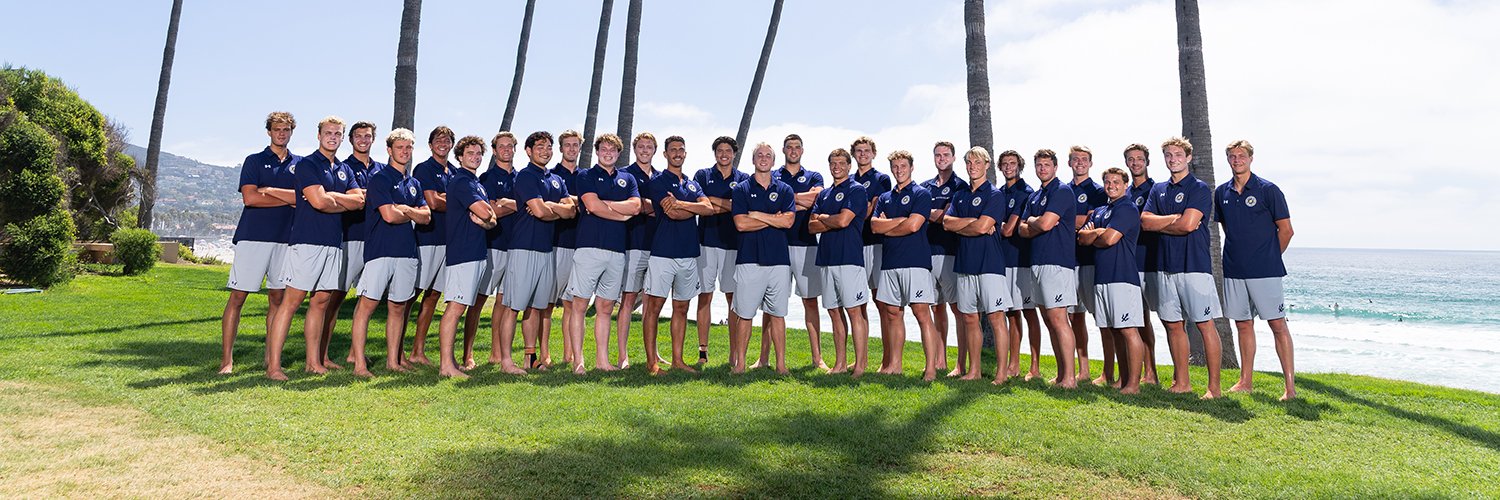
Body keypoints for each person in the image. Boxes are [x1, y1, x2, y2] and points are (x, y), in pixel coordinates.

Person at [265, 116, 363, 380]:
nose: (333, 137)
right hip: (307, 241)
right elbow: (318, 202)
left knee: (320, 301)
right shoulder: (308, 164)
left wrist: (333, 198)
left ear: (342, 138)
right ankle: (273, 367)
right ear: (318, 135)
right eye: (328, 133)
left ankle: (313, 362)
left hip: (333, 242)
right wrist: (334, 199)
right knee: (292, 302)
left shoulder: (344, 168)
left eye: (337, 133)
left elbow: (359, 201)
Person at [1140, 136, 1224, 399]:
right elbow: (1144, 221)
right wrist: (1174, 218)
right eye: (1168, 155)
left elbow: (1189, 225)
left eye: (1177, 154)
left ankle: (1214, 388)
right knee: (1173, 325)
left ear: (1188, 158)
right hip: (1164, 267)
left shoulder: (1198, 188)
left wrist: (1163, 222)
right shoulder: (1158, 189)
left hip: (1194, 267)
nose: (1173, 158)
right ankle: (1183, 383)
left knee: (1204, 324)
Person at [1214, 140, 1296, 400]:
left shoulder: (1268, 190)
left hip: (1265, 271)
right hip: (1234, 269)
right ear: (1228, 159)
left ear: (1251, 159)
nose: (1237, 160)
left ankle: (1290, 388)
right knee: (1243, 325)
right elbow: (1229, 230)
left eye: (1241, 156)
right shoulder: (1221, 193)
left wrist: (1267, 258)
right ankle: (1245, 381)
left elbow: (1286, 230)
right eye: (1232, 156)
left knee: (1277, 325)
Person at [220, 111, 299, 375]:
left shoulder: (300, 164)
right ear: (269, 131)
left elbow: (302, 199)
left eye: (286, 130)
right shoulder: (253, 161)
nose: (281, 133)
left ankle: (270, 358)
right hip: (253, 238)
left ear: (291, 132)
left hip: (286, 239)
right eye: (277, 129)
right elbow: (250, 199)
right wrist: (287, 197)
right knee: (238, 297)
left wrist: (271, 192)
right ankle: (227, 361)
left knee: (277, 299)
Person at [348, 128, 429, 377]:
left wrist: (405, 209)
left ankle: (393, 361)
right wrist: (409, 211)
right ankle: (359, 365)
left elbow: (426, 217)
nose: (404, 152)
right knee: (367, 306)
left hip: (407, 252)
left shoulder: (414, 183)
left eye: (408, 148)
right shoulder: (380, 179)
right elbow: (389, 215)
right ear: (389, 150)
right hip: (381, 251)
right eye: (400, 147)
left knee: (398, 307)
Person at [565, 133, 640, 373]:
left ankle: (602, 361)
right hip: (589, 248)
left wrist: (604, 206)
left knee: (606, 307)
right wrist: (621, 212)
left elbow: (636, 206)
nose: (608, 153)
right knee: (579, 304)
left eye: (613, 150)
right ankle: (578, 361)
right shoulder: (586, 176)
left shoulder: (627, 178)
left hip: (617, 251)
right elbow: (592, 205)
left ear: (619, 154)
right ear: (597, 152)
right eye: (604, 149)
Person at [501, 131, 574, 374]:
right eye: (540, 146)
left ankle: (530, 358)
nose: (545, 150)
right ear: (529, 151)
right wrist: (553, 209)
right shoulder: (525, 176)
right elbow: (539, 212)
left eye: (548, 146)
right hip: (523, 247)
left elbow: (571, 211)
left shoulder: (555, 179)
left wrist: (549, 206)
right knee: (514, 306)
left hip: (546, 249)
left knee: (535, 306)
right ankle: (505, 362)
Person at [642, 136, 715, 374]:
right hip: (663, 253)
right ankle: (652, 363)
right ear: (665, 154)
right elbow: (671, 213)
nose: (677, 153)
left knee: (681, 308)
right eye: (672, 150)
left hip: (688, 254)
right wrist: (692, 207)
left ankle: (678, 360)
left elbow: (709, 208)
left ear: (685, 153)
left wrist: (683, 204)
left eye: (681, 150)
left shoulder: (693, 184)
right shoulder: (658, 181)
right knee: (653, 307)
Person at [753, 134, 826, 370]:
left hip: (806, 245)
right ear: (783, 150)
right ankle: (763, 359)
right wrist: (799, 201)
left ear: (802, 150)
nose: (793, 150)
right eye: (789, 147)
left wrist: (787, 199)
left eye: (797, 147)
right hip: (778, 246)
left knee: (810, 302)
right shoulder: (773, 175)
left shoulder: (814, 176)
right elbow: (768, 205)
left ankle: (818, 359)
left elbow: (818, 198)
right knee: (771, 305)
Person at [942, 147, 1011, 384]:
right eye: (969, 162)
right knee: (969, 318)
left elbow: (983, 228)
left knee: (995, 318)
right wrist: (974, 222)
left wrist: (971, 225)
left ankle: (1001, 374)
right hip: (964, 263)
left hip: (990, 265)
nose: (972, 166)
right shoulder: (960, 194)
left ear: (987, 164)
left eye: (977, 162)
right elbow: (946, 223)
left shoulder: (994, 195)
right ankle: (974, 371)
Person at [432, 136, 497, 378]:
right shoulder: (461, 182)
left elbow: (491, 217)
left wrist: (488, 218)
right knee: (455, 308)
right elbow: (485, 211)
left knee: (461, 306)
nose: (475, 156)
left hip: (476, 252)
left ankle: (450, 363)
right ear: (459, 156)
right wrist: (488, 216)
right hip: (463, 254)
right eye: (470, 153)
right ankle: (446, 366)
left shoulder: (476, 183)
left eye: (479, 153)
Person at [728, 143, 796, 374]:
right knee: (745, 315)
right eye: (760, 155)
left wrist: (756, 215)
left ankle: (781, 365)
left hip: (778, 261)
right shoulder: (741, 190)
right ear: (753, 159)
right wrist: (772, 218)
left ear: (774, 161)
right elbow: (740, 224)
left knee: (777, 314)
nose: (764, 158)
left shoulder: (785, 190)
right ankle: (740, 365)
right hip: (749, 260)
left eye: (768, 155)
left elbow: (788, 222)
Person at [870, 151, 938, 379]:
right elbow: (874, 227)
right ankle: (895, 366)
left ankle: (930, 369)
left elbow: (913, 226)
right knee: (892, 313)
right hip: (890, 262)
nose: (899, 170)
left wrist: (889, 225)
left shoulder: (922, 194)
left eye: (903, 166)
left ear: (911, 167)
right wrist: (900, 221)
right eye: (895, 166)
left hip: (915, 262)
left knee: (921, 313)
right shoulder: (884, 198)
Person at [1076, 167, 1145, 393]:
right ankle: (1122, 379)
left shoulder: (1127, 208)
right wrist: (1098, 232)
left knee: (1128, 330)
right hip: (1102, 277)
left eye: (1116, 181)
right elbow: (1082, 238)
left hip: (1122, 278)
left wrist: (1097, 233)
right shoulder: (1100, 210)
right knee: (1114, 330)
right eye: (1107, 181)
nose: (1111, 185)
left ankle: (1133, 384)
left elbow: (1110, 239)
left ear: (1126, 185)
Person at [1018, 149, 1079, 389]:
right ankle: (1062, 374)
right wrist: (1036, 223)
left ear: (1055, 167)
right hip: (1037, 262)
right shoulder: (1035, 196)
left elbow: (1041, 224)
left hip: (1057, 263)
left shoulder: (1062, 191)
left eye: (1047, 165)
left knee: (1058, 318)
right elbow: (1021, 230)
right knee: (1048, 319)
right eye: (1039, 165)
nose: (1042, 168)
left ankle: (1071, 379)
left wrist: (1034, 221)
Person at [809, 148, 871, 376]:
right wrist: (829, 220)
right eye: (833, 163)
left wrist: (824, 218)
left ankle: (861, 365)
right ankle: (840, 364)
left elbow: (845, 221)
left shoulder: (856, 190)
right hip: (826, 259)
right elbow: (810, 225)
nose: (837, 167)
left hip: (849, 259)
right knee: (834, 312)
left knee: (854, 311)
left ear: (849, 165)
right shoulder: (824, 194)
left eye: (841, 163)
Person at [693, 136, 750, 365]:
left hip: (733, 245)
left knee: (732, 299)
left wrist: (713, 203)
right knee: (704, 296)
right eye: (720, 150)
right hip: (706, 242)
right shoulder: (702, 175)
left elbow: (741, 209)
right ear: (714, 152)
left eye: (728, 150)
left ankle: (734, 354)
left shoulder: (744, 179)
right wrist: (726, 205)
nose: (724, 154)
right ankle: (703, 352)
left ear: (734, 153)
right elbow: (701, 206)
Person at [408, 126, 456, 366]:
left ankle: (418, 351)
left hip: (449, 241)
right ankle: (396, 351)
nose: (443, 143)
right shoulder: (424, 169)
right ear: (430, 145)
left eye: (447, 140)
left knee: (434, 296)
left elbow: (446, 199)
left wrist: (449, 199)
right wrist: (457, 201)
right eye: (438, 139)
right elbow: (433, 202)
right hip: (427, 239)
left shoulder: (455, 172)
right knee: (412, 294)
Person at [921, 141, 968, 378]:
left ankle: (960, 364)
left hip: (950, 252)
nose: (942, 158)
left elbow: (948, 218)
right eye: (938, 155)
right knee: (935, 307)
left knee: (957, 309)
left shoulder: (961, 186)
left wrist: (924, 214)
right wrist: (934, 215)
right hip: (927, 252)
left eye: (946, 155)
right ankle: (940, 360)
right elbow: (932, 217)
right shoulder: (924, 187)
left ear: (953, 157)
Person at [335, 121, 380, 368]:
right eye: (359, 136)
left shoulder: (381, 169)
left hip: (374, 241)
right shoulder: (342, 168)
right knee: (335, 297)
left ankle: (355, 353)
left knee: (367, 297)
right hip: (349, 237)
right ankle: (321, 354)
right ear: (351, 140)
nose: (363, 140)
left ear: (374, 139)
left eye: (368, 136)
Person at [475, 132, 520, 369]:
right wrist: (519, 206)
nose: (506, 150)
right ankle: (467, 355)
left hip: (515, 247)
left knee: (504, 301)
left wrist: (508, 203)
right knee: (479, 299)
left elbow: (525, 206)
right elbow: (490, 211)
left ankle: (496, 353)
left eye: (510, 146)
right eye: (501, 146)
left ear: (515, 149)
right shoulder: (488, 177)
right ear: (494, 150)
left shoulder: (521, 177)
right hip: (494, 244)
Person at [617, 132, 661, 369]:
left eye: (649, 147)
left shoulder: (661, 176)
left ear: (655, 150)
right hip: (633, 243)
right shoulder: (625, 174)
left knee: (651, 302)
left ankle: (652, 355)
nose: (645, 150)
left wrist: (647, 206)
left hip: (658, 246)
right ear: (635, 149)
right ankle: (623, 356)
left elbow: (665, 206)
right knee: (628, 299)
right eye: (641, 146)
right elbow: (635, 208)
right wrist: (650, 207)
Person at [997, 150, 1041, 380]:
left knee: (1028, 312)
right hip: (1001, 260)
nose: (1008, 167)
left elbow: (1008, 229)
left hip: (1021, 259)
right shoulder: (999, 192)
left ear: (1020, 166)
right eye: (1004, 164)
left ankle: (1034, 367)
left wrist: (987, 224)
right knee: (1011, 313)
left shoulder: (1027, 192)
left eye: (1012, 163)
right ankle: (1013, 364)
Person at [1068, 146, 1109, 384]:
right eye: (1075, 159)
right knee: (1075, 317)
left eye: (1084, 159)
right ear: (1069, 163)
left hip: (1091, 260)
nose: (1080, 163)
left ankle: (1108, 371)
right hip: (1068, 260)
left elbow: (1093, 221)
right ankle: (1082, 370)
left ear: (1090, 163)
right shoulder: (1063, 189)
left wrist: (1061, 220)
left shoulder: (1097, 191)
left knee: (1101, 317)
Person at [1125, 143, 1162, 384]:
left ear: (1147, 162)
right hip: (1129, 263)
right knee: (1137, 318)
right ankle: (1141, 371)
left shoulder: (1156, 190)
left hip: (1151, 259)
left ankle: (1153, 372)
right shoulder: (1123, 192)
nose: (1135, 163)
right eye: (1131, 159)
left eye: (1139, 159)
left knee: (1164, 319)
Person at [550, 130, 587, 366]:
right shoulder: (551, 174)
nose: (572, 149)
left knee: (573, 303)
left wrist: (569, 200)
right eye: (568, 145)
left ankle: (569, 355)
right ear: (561, 148)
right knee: (546, 302)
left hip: (581, 245)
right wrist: (580, 200)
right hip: (556, 243)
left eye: (576, 145)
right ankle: (542, 354)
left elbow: (590, 202)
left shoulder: (586, 176)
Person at [851, 136, 891, 294]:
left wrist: (849, 213)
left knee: (880, 297)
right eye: (859, 151)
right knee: (856, 297)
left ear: (874, 154)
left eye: (867, 151)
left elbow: (872, 210)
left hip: (875, 243)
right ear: (853, 154)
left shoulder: (881, 179)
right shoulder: (847, 180)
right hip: (853, 244)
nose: (863, 154)